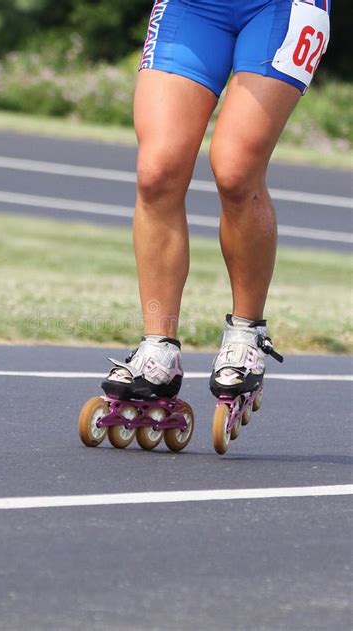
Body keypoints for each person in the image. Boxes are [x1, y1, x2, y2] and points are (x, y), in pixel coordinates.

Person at [101, 0, 331, 403]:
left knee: (236, 170)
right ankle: (158, 346)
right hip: (192, 8)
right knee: (156, 174)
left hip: (280, 9)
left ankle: (246, 333)